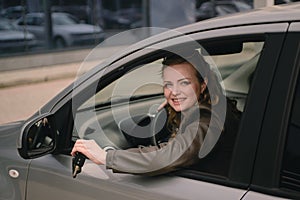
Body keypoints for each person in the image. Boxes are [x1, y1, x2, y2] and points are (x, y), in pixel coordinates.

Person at [71, 49, 241, 176]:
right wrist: (177, 102)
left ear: (203, 85)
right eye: (168, 84)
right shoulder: (217, 106)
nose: (174, 92)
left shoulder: (206, 121)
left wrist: (106, 156)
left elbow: (166, 157)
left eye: (184, 83)